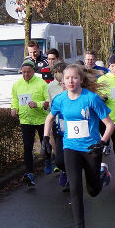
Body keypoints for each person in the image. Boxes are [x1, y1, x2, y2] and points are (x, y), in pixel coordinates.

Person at [42, 64, 114, 228]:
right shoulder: (60, 100)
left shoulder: (91, 99)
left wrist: (103, 142)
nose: (71, 81)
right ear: (63, 82)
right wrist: (45, 139)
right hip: (70, 148)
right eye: (67, 79)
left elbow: (109, 124)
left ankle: (102, 173)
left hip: (91, 148)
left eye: (74, 78)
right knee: (75, 189)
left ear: (81, 80)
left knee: (93, 190)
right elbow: (49, 118)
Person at [10, 59, 52, 186]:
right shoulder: (17, 85)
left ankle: (49, 160)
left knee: (45, 143)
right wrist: (13, 108)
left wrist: (37, 104)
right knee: (27, 147)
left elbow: (47, 101)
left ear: (34, 71)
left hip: (40, 119)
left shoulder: (41, 83)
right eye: (23, 72)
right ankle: (29, 173)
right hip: (25, 120)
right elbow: (14, 98)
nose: (26, 74)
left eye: (28, 72)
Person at [47, 62, 70, 191]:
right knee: (60, 159)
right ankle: (65, 171)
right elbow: (51, 110)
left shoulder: (80, 90)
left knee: (73, 157)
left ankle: (71, 177)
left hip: (76, 131)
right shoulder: (51, 88)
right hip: (60, 127)